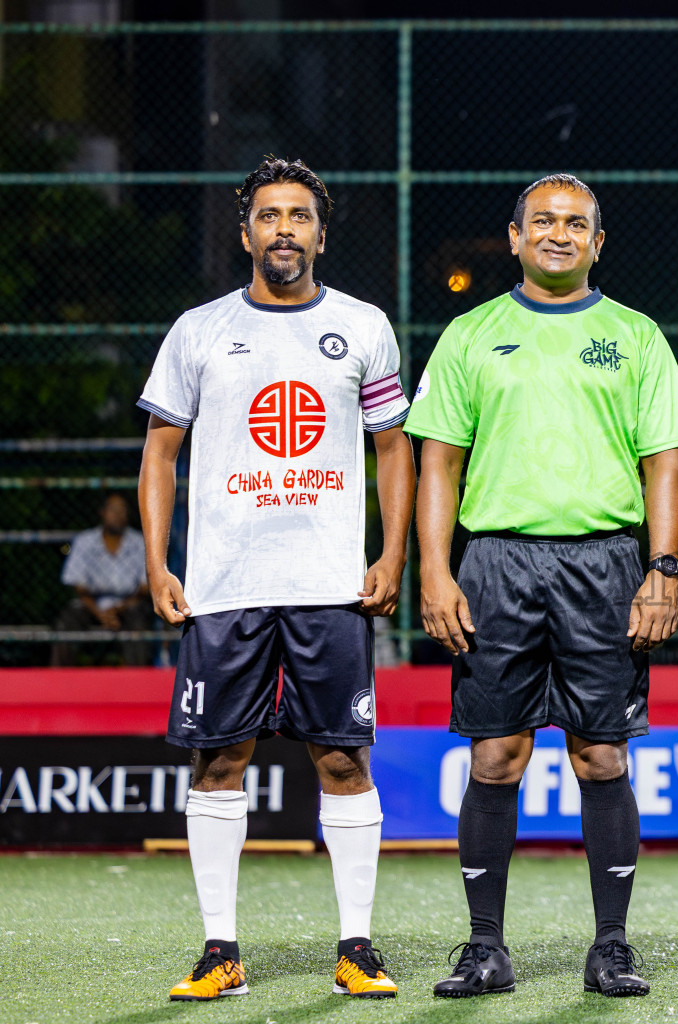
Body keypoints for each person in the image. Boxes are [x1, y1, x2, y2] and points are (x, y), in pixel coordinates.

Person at [138, 157, 415, 1001]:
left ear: (320, 236)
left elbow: (393, 449)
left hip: (329, 584)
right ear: (246, 232)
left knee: (343, 760)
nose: (283, 229)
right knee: (218, 762)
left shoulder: (364, 326)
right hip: (225, 585)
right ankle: (219, 951)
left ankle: (357, 948)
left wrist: (392, 553)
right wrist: (157, 561)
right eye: (269, 215)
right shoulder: (199, 330)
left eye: (299, 216)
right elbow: (159, 454)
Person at [406, 173, 678, 999]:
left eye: (574, 223)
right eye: (542, 221)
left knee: (601, 755)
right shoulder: (470, 335)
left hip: (605, 562)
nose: (558, 234)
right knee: (495, 757)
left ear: (597, 243)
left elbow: (663, 466)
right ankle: (485, 948)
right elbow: (437, 465)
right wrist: (435, 570)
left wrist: (662, 568)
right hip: (496, 562)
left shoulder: (636, 336)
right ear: (515, 237)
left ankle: (612, 948)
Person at [52, 492, 153, 666]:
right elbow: (78, 586)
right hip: (91, 603)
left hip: (128, 604)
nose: (118, 515)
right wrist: (101, 613)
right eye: (113, 510)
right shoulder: (85, 541)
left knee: (138, 621)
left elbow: (144, 588)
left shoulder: (139, 542)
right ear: (102, 512)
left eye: (122, 510)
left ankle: (137, 678)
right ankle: (60, 677)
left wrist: (116, 610)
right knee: (67, 621)